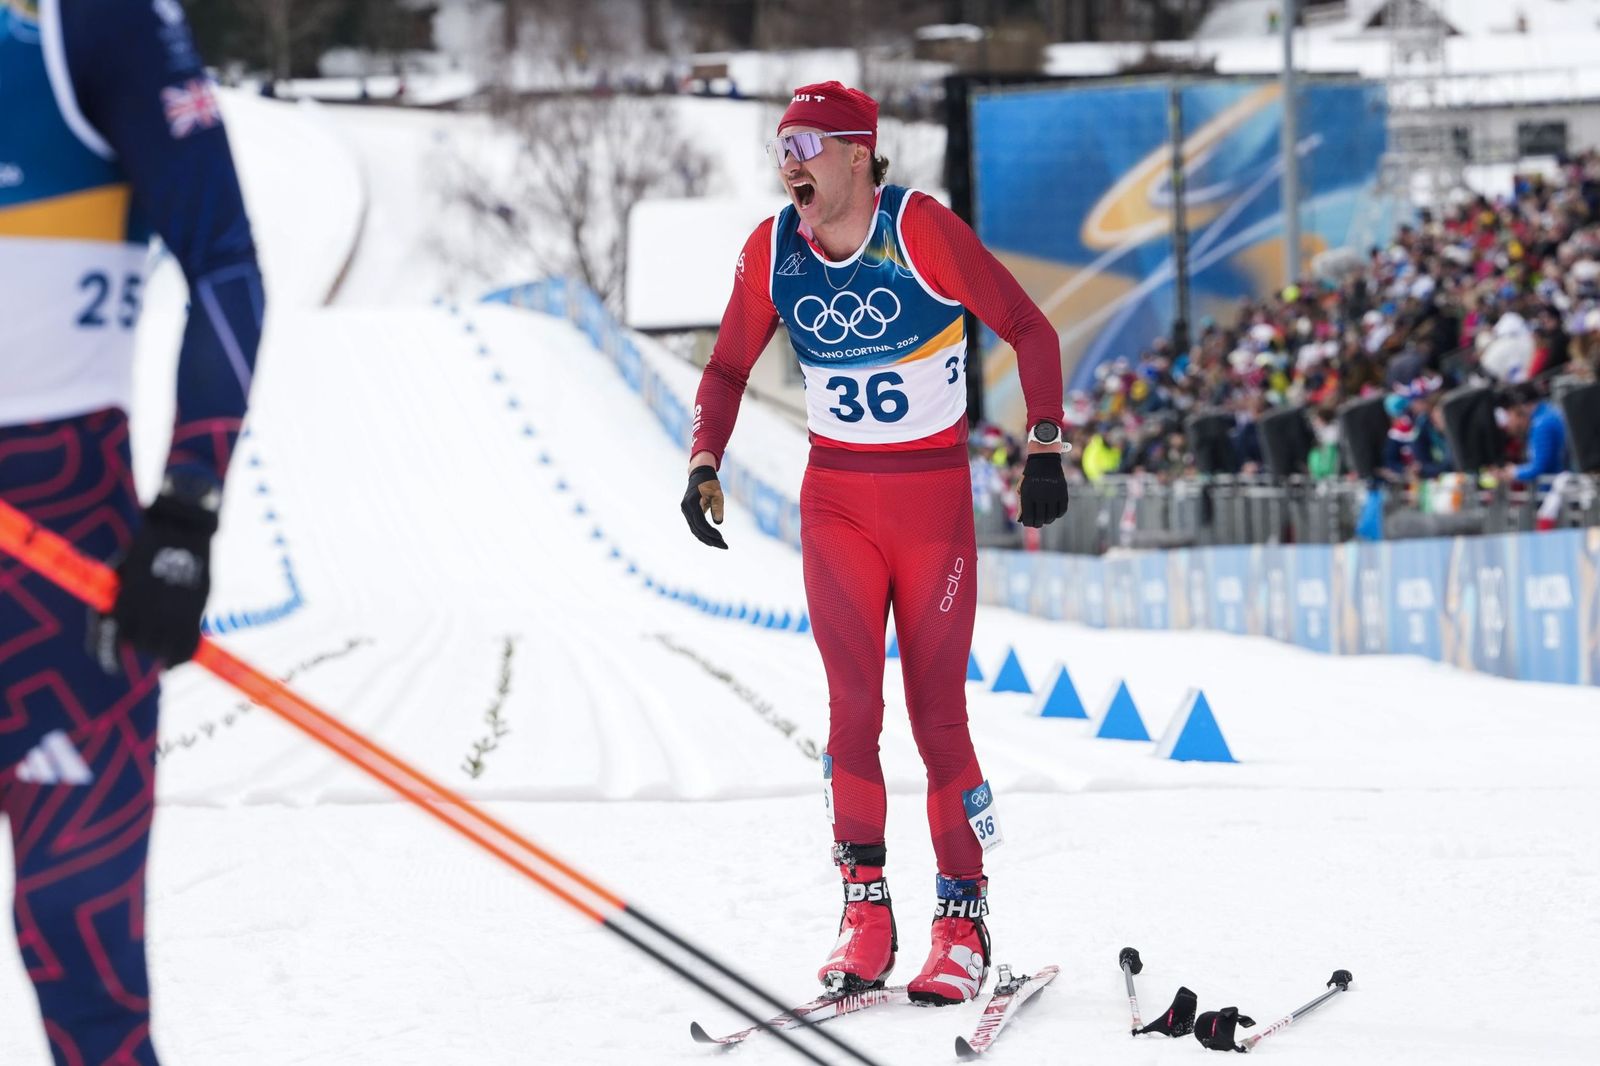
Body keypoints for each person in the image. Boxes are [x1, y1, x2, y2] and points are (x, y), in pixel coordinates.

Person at [678, 82, 1067, 1005]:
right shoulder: (773, 250)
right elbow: (729, 364)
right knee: (852, 712)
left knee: (939, 721)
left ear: (859, 152)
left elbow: (1028, 326)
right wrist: (704, 460)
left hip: (930, 509)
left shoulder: (920, 228)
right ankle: (865, 913)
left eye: (808, 144)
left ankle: (961, 919)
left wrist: (1045, 443)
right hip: (839, 508)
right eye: (782, 146)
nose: (790, 163)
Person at [0, 1, 264, 1061]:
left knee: (86, 966)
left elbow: (229, 268)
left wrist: (186, 511)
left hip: (66, 587)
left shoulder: (88, 33)